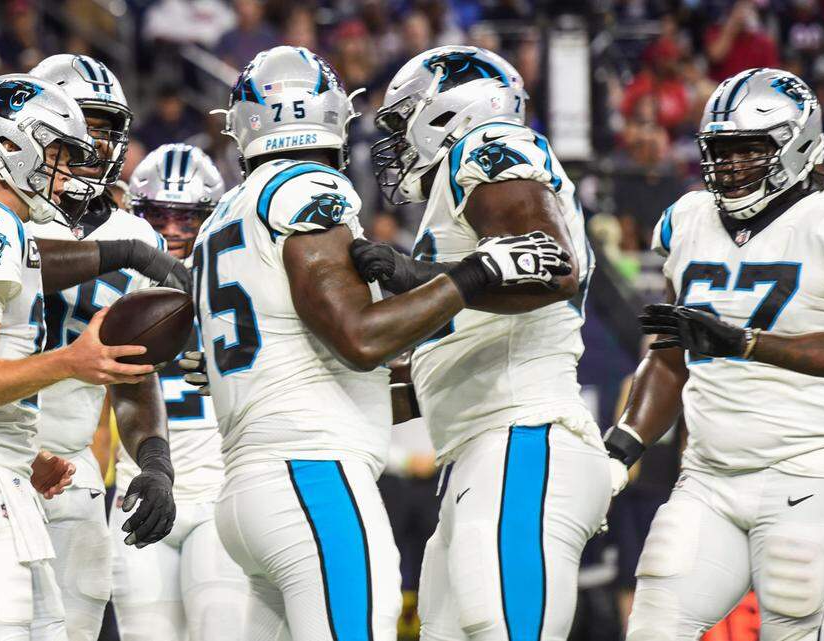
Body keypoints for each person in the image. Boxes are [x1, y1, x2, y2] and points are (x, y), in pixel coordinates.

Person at [197, 45, 571, 640]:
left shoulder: (224, 214)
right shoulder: (307, 186)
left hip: (247, 492)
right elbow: (360, 341)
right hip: (313, 483)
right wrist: (471, 275)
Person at [0, 73, 176, 641]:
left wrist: (153, 462)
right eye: (59, 151)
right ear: (13, 144)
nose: (65, 171)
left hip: (10, 469)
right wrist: (72, 360)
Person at [353, 45, 604, 641]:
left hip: (522, 434)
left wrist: (415, 278)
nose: (393, 141)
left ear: (448, 109)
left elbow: (551, 265)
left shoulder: (487, 145)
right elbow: (442, 364)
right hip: (480, 450)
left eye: (401, 119)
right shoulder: (455, 198)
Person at [612, 68, 824, 641]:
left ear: (797, 144)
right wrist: (623, 445)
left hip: (809, 471)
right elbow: (667, 355)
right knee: (653, 624)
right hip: (707, 477)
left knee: (795, 622)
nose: (730, 167)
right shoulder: (688, 220)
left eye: (748, 151)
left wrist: (747, 344)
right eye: (721, 151)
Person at [27, 53, 173, 641]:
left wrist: (156, 463)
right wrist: (122, 257)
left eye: (103, 128)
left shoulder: (134, 234)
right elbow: (22, 262)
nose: (91, 143)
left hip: (74, 467)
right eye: (76, 124)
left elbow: (132, 374)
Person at [111, 143, 249, 640]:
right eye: (159, 215)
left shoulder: (240, 277)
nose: (171, 230)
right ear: (136, 212)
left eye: (186, 218)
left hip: (220, 493)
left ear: (209, 217)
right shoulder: (114, 279)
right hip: (141, 488)